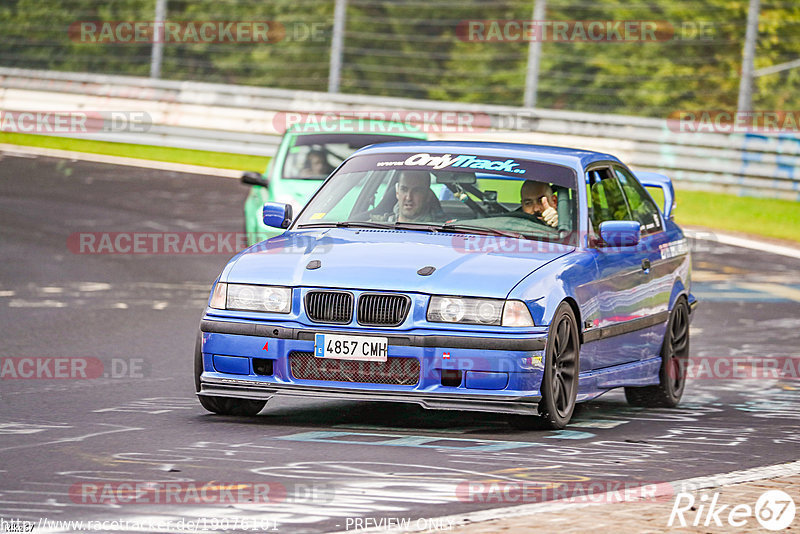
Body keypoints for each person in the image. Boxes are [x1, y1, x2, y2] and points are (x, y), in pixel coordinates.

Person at [372, 171, 443, 223]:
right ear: (397, 192)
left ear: (428, 195)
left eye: (416, 191)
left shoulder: (440, 230)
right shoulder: (373, 225)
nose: (409, 197)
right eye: (404, 189)